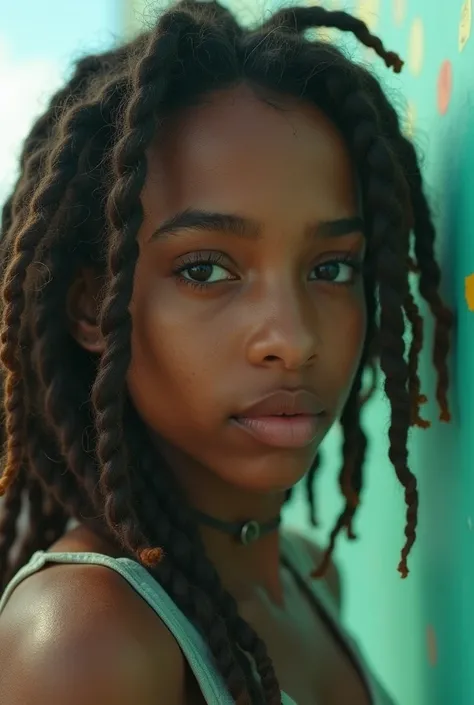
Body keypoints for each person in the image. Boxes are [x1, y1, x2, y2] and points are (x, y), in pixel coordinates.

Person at [0, 2, 452, 704]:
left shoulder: (309, 576)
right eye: (207, 269)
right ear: (94, 306)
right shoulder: (84, 640)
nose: (293, 340)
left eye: (331, 268)